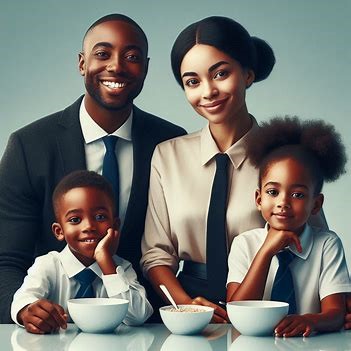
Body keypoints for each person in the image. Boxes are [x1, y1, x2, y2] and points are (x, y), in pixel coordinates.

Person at [0, 13, 186, 323]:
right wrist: (22, 310)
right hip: (50, 329)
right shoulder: (28, 146)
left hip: (143, 325)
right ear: (82, 63)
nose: (116, 66)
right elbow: (6, 259)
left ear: (146, 69)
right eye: (102, 54)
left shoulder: (170, 143)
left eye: (132, 56)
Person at [141, 16, 280, 323]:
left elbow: (316, 246)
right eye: (192, 81)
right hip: (189, 307)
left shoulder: (283, 157)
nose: (208, 91)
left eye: (220, 74)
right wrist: (188, 307)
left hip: (267, 306)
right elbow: (156, 255)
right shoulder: (168, 156)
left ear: (248, 74)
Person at [227, 117, 351, 337]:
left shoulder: (327, 245)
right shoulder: (244, 243)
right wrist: (266, 252)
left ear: (316, 204)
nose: (283, 202)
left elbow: (335, 313)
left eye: (298, 195)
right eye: (273, 192)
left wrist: (309, 320)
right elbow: (237, 312)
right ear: (258, 199)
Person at [11, 170, 153, 334]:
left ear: (115, 226)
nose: (88, 227)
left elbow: (139, 316)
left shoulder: (121, 268)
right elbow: (22, 299)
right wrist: (27, 311)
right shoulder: (47, 265)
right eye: (75, 220)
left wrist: (106, 263)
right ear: (59, 231)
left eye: (100, 217)